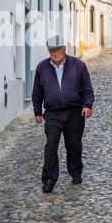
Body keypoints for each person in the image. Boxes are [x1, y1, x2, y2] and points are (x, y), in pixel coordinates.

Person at [32, 35, 95, 193]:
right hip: (53, 113)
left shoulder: (78, 65)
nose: (54, 54)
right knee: (51, 145)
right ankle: (48, 180)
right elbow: (37, 92)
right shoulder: (42, 68)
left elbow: (87, 88)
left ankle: (75, 173)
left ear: (64, 49)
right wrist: (37, 111)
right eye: (51, 51)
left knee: (73, 144)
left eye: (57, 50)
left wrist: (88, 105)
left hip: (75, 112)